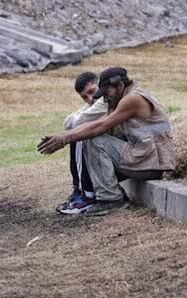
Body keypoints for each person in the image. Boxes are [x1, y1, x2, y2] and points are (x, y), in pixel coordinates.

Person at [38, 66, 175, 216]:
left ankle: (111, 199)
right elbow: (93, 124)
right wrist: (64, 136)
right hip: (144, 159)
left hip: (151, 163)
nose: (104, 98)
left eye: (106, 92)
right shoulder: (121, 98)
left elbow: (101, 126)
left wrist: (64, 138)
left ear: (120, 85)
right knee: (85, 135)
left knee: (93, 138)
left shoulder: (132, 99)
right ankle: (87, 193)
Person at [56, 71, 107, 215]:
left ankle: (87, 195)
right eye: (84, 97)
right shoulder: (94, 103)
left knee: (80, 134)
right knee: (77, 133)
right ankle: (79, 190)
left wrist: (79, 118)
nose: (90, 98)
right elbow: (67, 122)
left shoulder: (105, 101)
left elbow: (77, 122)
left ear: (100, 85)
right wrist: (83, 112)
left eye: (92, 92)